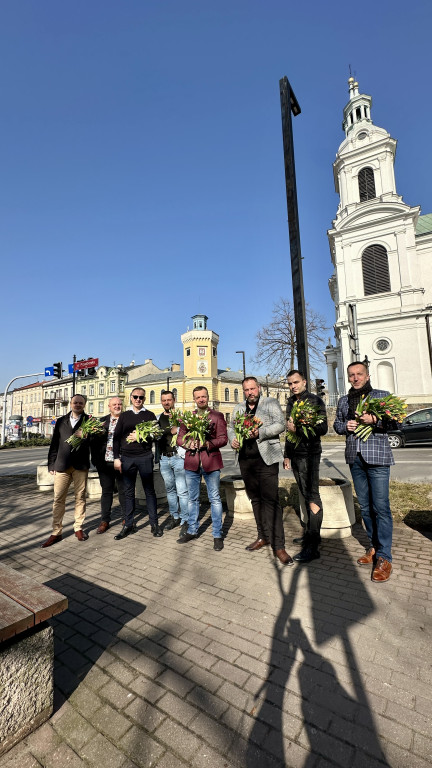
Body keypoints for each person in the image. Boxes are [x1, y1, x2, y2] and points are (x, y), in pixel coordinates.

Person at [334, 361, 395, 582]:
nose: (355, 378)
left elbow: (395, 422)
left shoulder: (381, 396)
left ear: (367, 376)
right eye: (351, 375)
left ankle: (385, 557)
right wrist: (345, 427)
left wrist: (376, 419)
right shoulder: (343, 401)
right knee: (366, 508)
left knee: (381, 507)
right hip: (355, 458)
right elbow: (337, 425)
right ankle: (374, 548)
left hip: (377, 458)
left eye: (359, 374)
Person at [228, 377, 293, 566]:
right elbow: (232, 429)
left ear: (259, 388)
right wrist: (233, 440)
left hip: (266, 459)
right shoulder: (238, 408)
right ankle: (263, 536)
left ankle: (279, 546)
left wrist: (260, 432)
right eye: (246, 390)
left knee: (271, 501)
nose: (250, 393)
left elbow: (280, 424)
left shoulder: (270, 403)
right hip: (245, 461)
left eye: (252, 389)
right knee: (255, 500)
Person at [283, 370, 328, 563]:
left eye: (296, 382)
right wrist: (287, 455)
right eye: (290, 384)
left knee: (312, 496)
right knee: (304, 493)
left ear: (304, 382)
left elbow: (322, 429)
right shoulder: (291, 402)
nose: (293, 386)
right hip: (296, 455)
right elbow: (288, 430)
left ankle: (313, 545)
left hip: (310, 454)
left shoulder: (315, 401)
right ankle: (310, 534)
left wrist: (298, 429)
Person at [176, 386, 227, 551]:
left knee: (215, 499)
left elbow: (223, 439)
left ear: (207, 397)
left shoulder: (217, 416)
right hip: (192, 463)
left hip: (211, 462)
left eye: (203, 396)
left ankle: (217, 534)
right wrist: (187, 443)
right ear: (194, 399)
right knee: (192, 499)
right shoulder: (188, 417)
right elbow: (179, 438)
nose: (201, 400)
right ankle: (192, 530)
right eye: (198, 397)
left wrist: (207, 444)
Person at [113, 387, 162, 540]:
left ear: (144, 399)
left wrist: (140, 435)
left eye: (141, 397)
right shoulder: (124, 416)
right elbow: (116, 438)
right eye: (135, 397)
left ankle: (154, 524)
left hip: (145, 457)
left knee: (149, 491)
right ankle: (128, 524)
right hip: (127, 458)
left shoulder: (149, 415)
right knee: (128, 492)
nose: (138, 400)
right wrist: (116, 457)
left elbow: (157, 435)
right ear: (131, 398)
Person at [41, 394, 90, 547]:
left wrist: (87, 436)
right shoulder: (61, 421)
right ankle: (56, 531)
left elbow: (95, 442)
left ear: (84, 405)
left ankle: (78, 527)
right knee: (58, 499)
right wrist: (51, 464)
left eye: (80, 403)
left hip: (80, 465)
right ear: (70, 403)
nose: (77, 405)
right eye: (75, 402)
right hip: (61, 465)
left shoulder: (89, 421)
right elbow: (54, 443)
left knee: (80, 497)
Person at [91, 396, 125, 534]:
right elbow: (93, 442)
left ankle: (126, 518)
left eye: (119, 404)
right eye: (114, 404)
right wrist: (95, 460)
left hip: (122, 462)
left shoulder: (126, 420)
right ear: (109, 407)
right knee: (106, 492)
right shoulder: (101, 422)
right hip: (104, 463)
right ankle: (105, 520)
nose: (117, 406)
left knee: (124, 491)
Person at [157, 391, 189, 534]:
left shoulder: (181, 417)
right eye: (164, 400)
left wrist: (180, 427)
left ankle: (185, 520)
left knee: (182, 490)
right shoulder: (158, 418)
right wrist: (169, 430)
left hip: (178, 458)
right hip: (164, 458)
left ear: (174, 400)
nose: (166, 402)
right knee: (170, 490)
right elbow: (156, 436)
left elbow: (189, 433)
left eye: (169, 400)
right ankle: (174, 516)